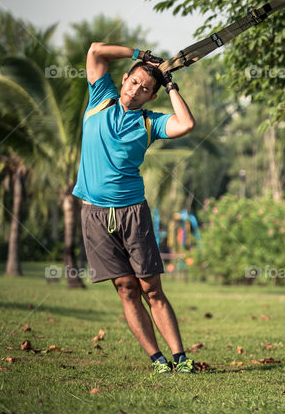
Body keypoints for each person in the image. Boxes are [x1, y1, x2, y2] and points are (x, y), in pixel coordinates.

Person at [73, 43, 197, 374]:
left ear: (150, 97)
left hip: (132, 212)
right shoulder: (101, 98)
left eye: (145, 89)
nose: (136, 90)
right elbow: (96, 51)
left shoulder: (149, 122)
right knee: (126, 288)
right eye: (133, 82)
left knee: (150, 288)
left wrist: (170, 84)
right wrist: (141, 54)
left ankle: (181, 358)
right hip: (94, 214)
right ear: (124, 79)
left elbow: (185, 124)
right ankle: (157, 360)